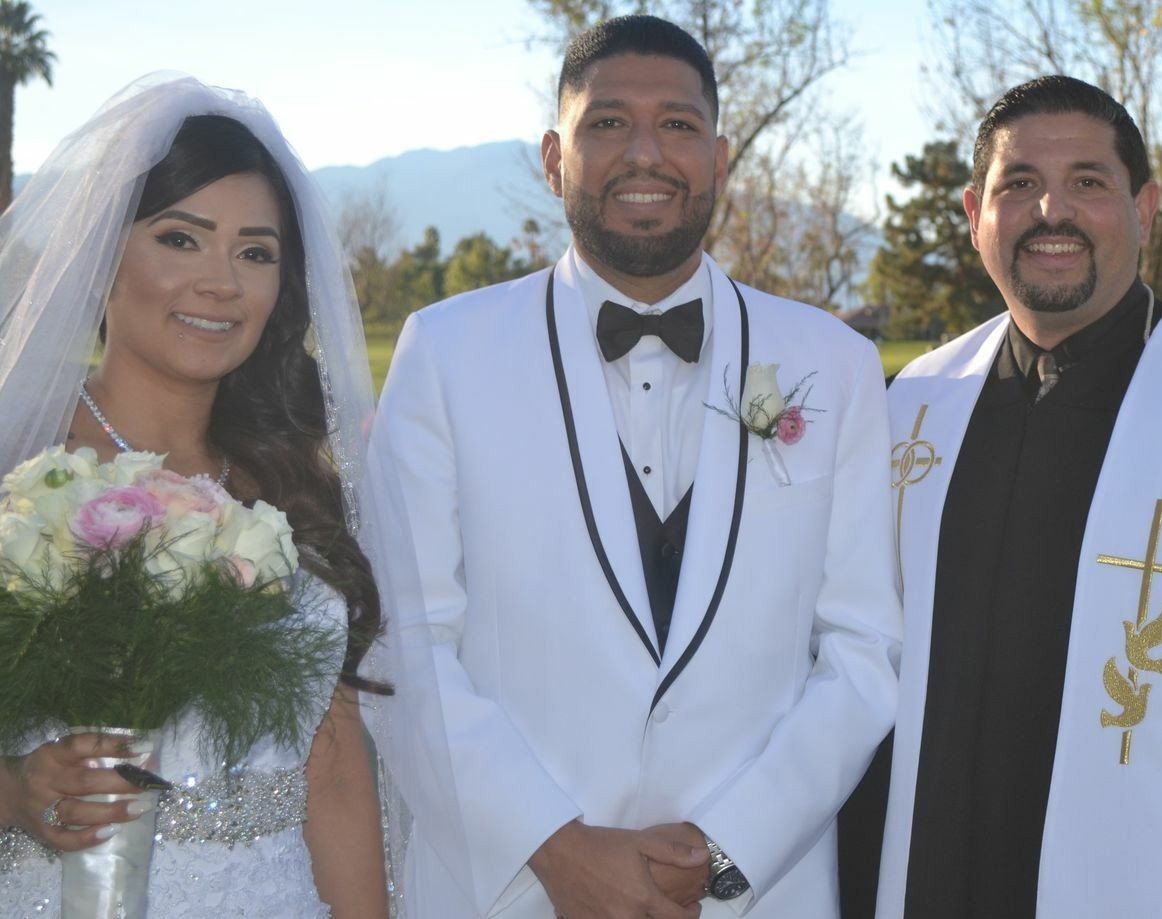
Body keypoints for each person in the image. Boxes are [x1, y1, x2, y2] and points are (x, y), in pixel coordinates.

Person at [368, 15, 902, 918]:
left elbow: (861, 648)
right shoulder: (445, 353)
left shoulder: (833, 364)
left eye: (679, 125)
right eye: (607, 123)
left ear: (720, 157)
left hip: (748, 893)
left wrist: (730, 849)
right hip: (511, 890)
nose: (644, 153)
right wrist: (556, 848)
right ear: (552, 156)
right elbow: (405, 643)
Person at [0, 75, 395, 917]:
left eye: (255, 252)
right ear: (105, 254)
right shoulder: (19, 467)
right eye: (182, 239)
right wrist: (10, 790)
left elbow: (331, 771)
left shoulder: (292, 480)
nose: (221, 281)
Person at [874, 75, 1162, 918]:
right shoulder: (914, 403)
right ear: (973, 210)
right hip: (928, 856)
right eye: (1018, 184)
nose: (1051, 210)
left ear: (1144, 205)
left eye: (1088, 182)